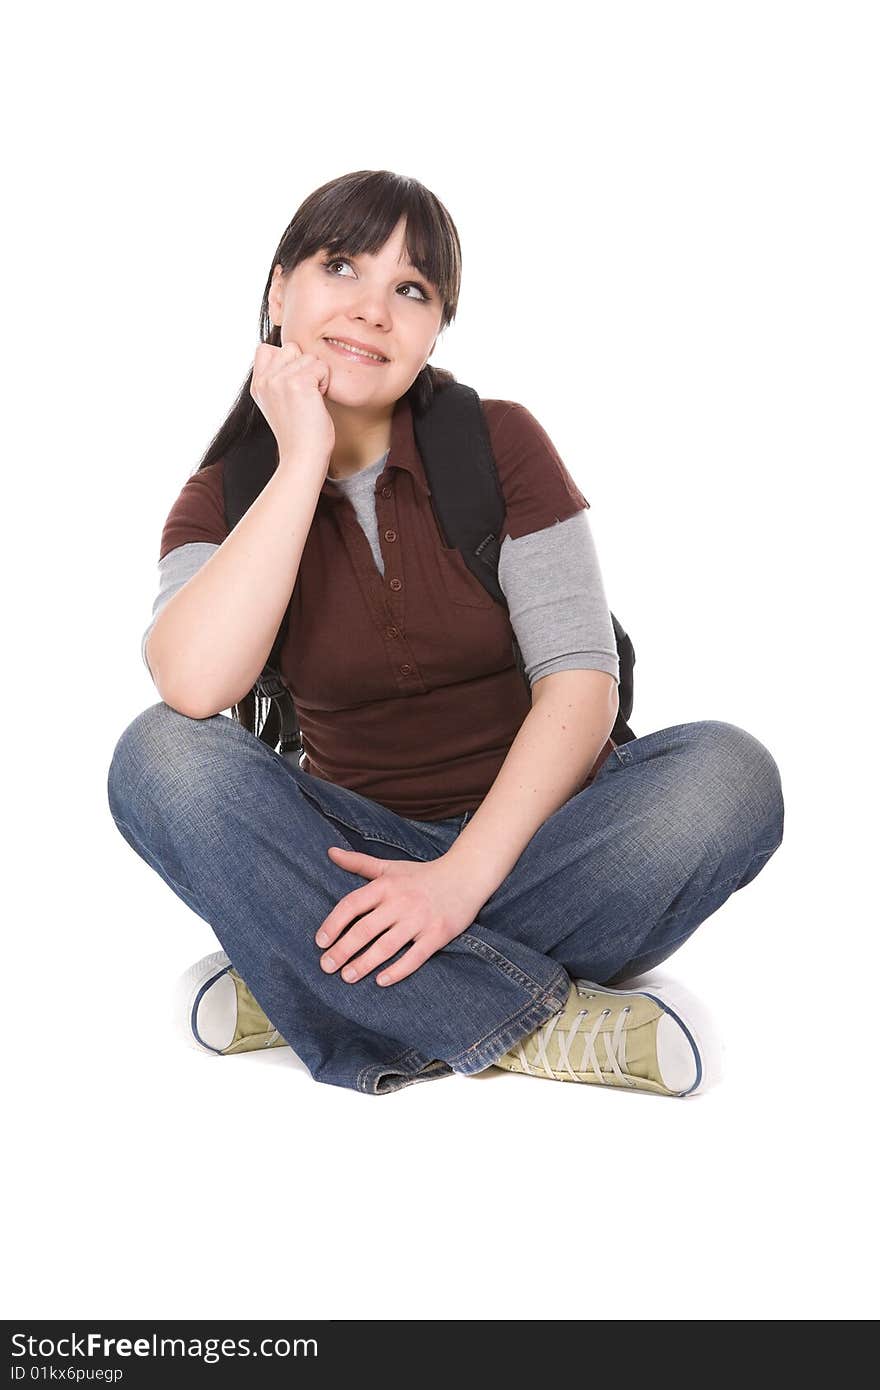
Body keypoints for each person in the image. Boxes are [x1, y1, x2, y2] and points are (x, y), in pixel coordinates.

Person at [106, 168, 784, 1099]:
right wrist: (301, 455)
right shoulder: (221, 500)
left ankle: (313, 982)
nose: (373, 309)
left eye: (411, 289)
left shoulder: (499, 442)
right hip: (351, 856)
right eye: (341, 266)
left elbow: (581, 685)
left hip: (551, 837)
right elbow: (192, 686)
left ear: (435, 328)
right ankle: (534, 1024)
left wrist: (460, 880)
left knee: (728, 777)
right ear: (278, 291)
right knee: (158, 759)